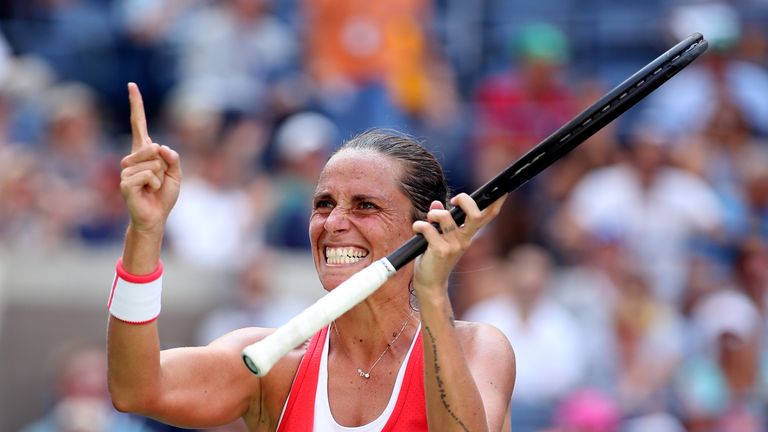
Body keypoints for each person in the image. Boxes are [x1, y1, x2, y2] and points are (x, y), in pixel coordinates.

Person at [107, 83, 515, 431]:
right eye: (323, 204)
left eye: (365, 206)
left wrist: (433, 291)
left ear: (426, 226)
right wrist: (145, 231)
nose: (333, 222)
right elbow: (135, 388)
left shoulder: (478, 347)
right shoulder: (275, 362)